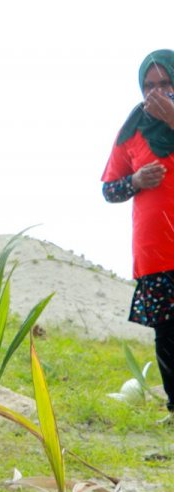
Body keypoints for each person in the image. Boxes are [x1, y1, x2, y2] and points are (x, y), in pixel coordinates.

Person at [102, 49, 174, 417]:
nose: (157, 92)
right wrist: (134, 180)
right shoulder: (131, 131)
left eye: (166, 83)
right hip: (156, 251)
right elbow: (109, 189)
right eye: (149, 86)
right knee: (167, 335)